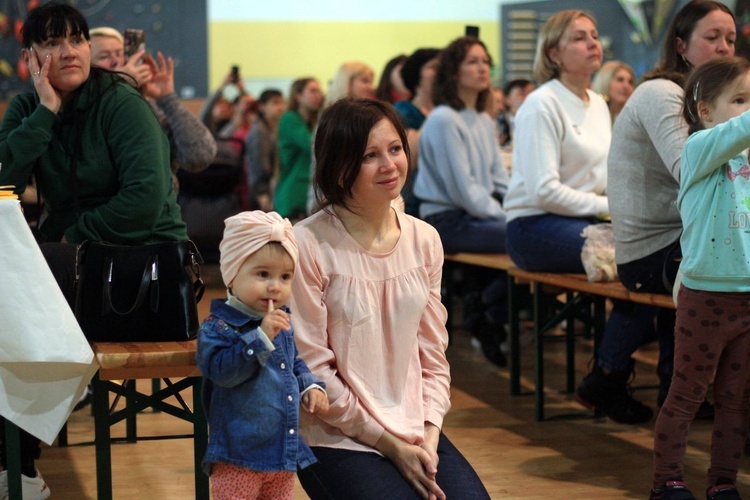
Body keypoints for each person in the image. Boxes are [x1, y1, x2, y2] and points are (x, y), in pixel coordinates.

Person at [0, 3, 189, 498]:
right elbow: (2, 186)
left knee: (23, 295)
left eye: (77, 40)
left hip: (148, 266)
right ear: (30, 58)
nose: (69, 52)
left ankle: (17, 464)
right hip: (77, 268)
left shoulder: (121, 103)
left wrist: (69, 237)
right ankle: (15, 463)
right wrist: (44, 114)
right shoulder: (27, 109)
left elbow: (145, 200)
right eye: (53, 43)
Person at [290, 97, 488, 500]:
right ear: (339, 164)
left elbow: (433, 356)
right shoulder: (306, 243)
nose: (389, 165)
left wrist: (430, 434)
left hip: (414, 426)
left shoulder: (424, 238)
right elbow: (313, 369)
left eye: (395, 149)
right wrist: (389, 444)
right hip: (334, 435)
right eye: (369, 156)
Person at [585, 0, 736, 422]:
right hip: (649, 248)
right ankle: (702, 393)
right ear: (681, 45)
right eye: (712, 38)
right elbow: (688, 166)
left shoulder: (716, 100)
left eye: (730, 38)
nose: (724, 47)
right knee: (723, 268)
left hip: (685, 236)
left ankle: (679, 386)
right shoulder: (661, 92)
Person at [648, 56, 750, 500]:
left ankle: (723, 480)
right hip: (705, 296)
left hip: (747, 298)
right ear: (705, 111)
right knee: (688, 393)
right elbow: (735, 132)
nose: (746, 111)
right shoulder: (698, 148)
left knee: (735, 399)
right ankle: (667, 481)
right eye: (740, 100)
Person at [197, 210, 329, 499]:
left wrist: (310, 385)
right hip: (238, 457)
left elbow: (292, 362)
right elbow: (221, 372)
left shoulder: (281, 319)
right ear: (231, 276)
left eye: (285, 276)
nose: (275, 286)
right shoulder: (218, 326)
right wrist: (259, 338)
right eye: (263, 274)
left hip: (282, 451)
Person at [413, 36, 510, 367]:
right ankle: (484, 309)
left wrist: (520, 208)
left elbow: (499, 177)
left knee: (527, 234)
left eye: (485, 61)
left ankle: (483, 306)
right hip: (447, 220)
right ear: (453, 72)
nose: (482, 68)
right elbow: (463, 190)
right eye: (472, 61)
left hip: (476, 216)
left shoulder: (481, 118)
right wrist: (510, 219)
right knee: (522, 239)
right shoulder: (443, 118)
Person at [89, 26, 216, 175]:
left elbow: (200, 156)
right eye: (104, 57)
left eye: (121, 54)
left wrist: (167, 99)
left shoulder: (146, 106)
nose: (117, 62)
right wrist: (117, 85)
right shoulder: (84, 108)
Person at [393, 47, 441, 216]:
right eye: (434, 67)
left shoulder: (453, 113)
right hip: (417, 201)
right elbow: (408, 158)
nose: (441, 72)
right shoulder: (403, 110)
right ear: (416, 76)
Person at [275, 77, 323, 220]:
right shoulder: (289, 119)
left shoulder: (313, 122)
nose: (318, 95)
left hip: (308, 193)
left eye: (319, 91)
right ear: (298, 96)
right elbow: (312, 145)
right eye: (313, 91)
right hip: (294, 194)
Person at [245, 89, 286, 211]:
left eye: (282, 103)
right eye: (275, 103)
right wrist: (262, 194)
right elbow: (259, 165)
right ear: (262, 107)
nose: (281, 107)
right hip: (262, 194)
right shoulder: (259, 131)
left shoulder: (276, 128)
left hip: (274, 191)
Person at [500, 78, 534, 147]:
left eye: (532, 93)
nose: (528, 98)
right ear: (507, 99)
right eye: (522, 94)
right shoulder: (500, 121)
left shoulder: (537, 121)